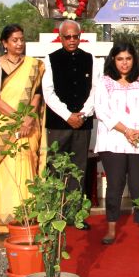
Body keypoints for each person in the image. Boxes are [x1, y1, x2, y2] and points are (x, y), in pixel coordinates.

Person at [93, 43, 139, 245]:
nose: (124, 63)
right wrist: (126, 130)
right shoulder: (104, 82)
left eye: (128, 58)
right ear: (113, 60)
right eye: (120, 59)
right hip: (113, 141)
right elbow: (102, 110)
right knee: (115, 185)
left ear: (134, 60)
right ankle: (111, 227)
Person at [0, 24, 46, 234]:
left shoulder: (34, 65)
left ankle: (28, 218)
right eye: (14, 40)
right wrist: (18, 119)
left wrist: (28, 118)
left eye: (22, 39)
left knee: (27, 167)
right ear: (5, 43)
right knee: (7, 172)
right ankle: (5, 223)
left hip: (28, 126)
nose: (19, 43)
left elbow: (37, 95)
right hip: (5, 125)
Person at [42, 20, 97, 194]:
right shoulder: (51, 59)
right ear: (61, 37)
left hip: (82, 123)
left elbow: (95, 89)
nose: (72, 40)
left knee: (79, 169)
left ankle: (76, 214)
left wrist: (84, 114)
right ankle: (55, 213)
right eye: (68, 37)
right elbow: (48, 92)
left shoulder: (90, 58)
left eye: (75, 36)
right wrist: (67, 116)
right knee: (55, 167)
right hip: (58, 124)